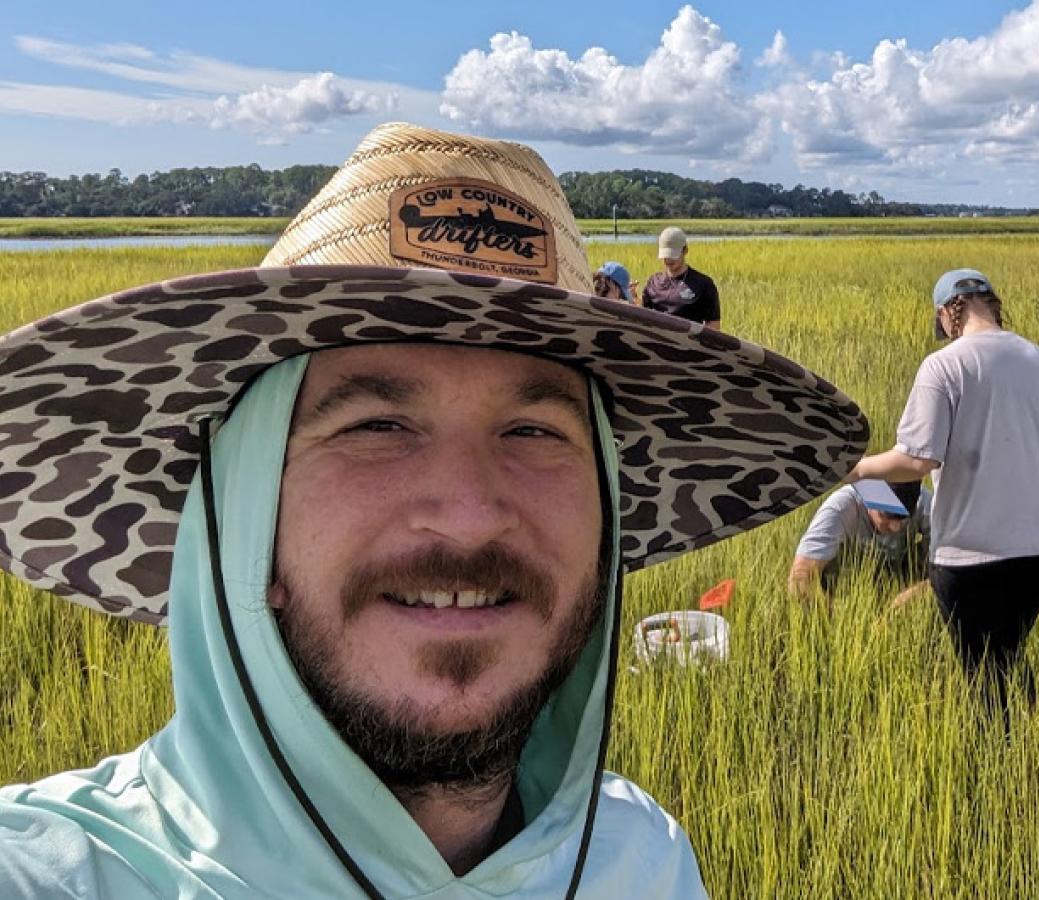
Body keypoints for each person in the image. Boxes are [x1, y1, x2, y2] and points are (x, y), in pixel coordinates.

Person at [0, 122, 868, 898]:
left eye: (534, 430)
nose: (468, 516)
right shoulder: (64, 871)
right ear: (243, 508)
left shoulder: (640, 859)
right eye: (376, 426)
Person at [845, 268, 1039, 709]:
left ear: (946, 314)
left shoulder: (945, 365)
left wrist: (855, 468)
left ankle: (999, 764)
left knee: (983, 676)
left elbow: (917, 459)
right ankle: (1036, 743)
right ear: (992, 305)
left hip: (969, 555)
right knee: (1007, 656)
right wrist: (1028, 495)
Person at [788, 479, 931, 604]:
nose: (895, 527)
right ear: (869, 496)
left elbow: (952, 566)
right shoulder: (839, 509)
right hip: (841, 591)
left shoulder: (923, 500)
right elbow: (799, 579)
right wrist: (841, 617)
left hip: (895, 580)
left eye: (904, 518)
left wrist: (915, 595)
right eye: (886, 515)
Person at [638, 226, 721, 329]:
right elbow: (643, 317)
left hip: (688, 344)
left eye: (673, 255)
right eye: (666, 255)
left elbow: (713, 325)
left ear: (685, 250)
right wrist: (632, 299)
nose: (668, 260)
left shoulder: (704, 285)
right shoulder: (653, 282)